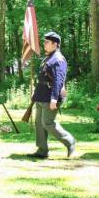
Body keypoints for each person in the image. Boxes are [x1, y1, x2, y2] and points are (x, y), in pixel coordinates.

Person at [27, 31, 76, 159]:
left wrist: (54, 98)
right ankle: (42, 150)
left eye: (47, 42)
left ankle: (69, 141)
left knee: (47, 123)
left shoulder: (58, 59)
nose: (44, 44)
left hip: (50, 96)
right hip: (41, 95)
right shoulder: (48, 58)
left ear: (55, 44)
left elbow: (58, 81)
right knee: (39, 123)